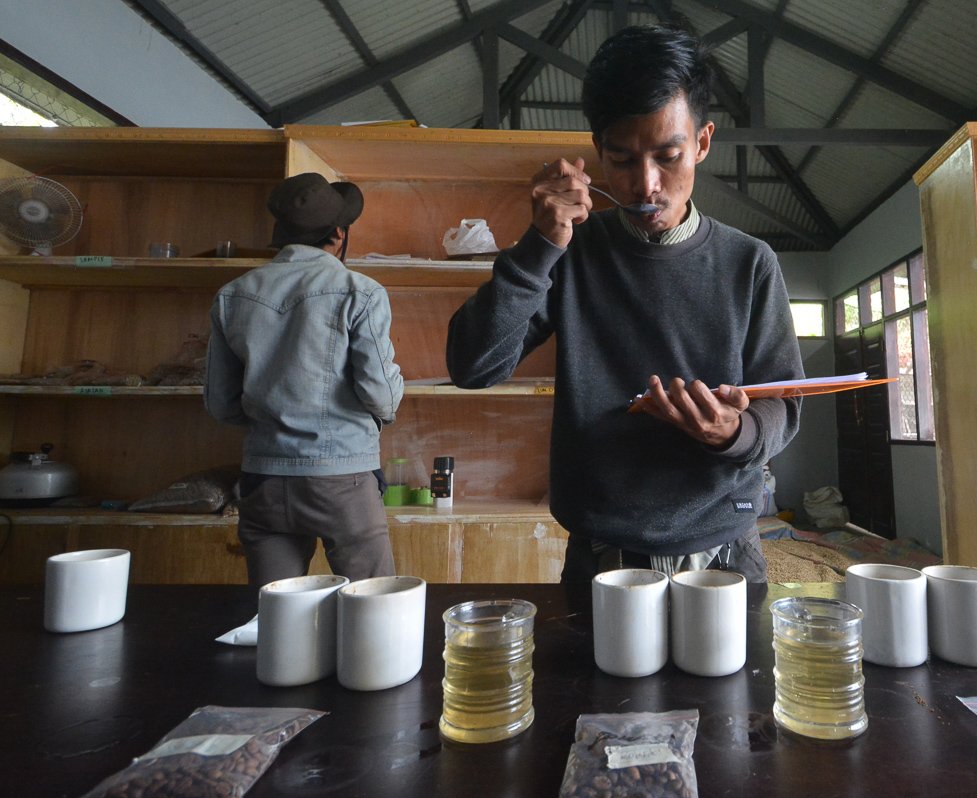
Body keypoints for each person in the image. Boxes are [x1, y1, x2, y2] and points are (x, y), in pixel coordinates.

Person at [446, 24, 804, 589]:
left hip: (725, 550)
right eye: (622, 159)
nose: (646, 184)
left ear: (703, 143)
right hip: (600, 552)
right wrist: (539, 245)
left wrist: (732, 433)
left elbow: (785, 401)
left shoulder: (748, 262)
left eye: (669, 156)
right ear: (597, 154)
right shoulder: (571, 251)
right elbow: (473, 367)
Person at [205, 172, 404, 595]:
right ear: (338, 233)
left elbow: (221, 403)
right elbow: (381, 395)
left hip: (263, 475)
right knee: (374, 615)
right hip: (343, 476)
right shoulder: (359, 291)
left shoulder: (232, 294)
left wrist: (274, 415)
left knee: (279, 620)